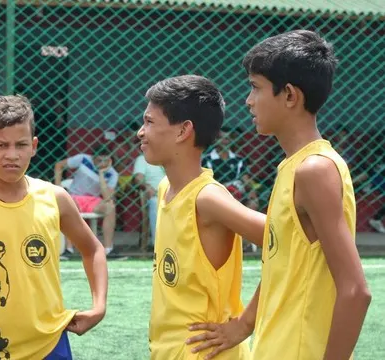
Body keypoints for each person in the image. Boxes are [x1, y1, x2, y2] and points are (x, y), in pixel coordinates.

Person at [187, 30, 371, 360]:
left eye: (255, 87)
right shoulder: (292, 166)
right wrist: (243, 325)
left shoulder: (314, 170)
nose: (248, 100)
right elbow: (282, 262)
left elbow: (356, 291)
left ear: (289, 96)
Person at [0, 95, 108, 360]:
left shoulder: (55, 198)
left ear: (33, 146)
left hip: (51, 343)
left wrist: (99, 306)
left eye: (21, 144)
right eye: (0, 145)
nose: (12, 155)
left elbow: (93, 250)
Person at [137, 75, 264, 360]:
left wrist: (243, 325)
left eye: (150, 122)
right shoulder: (165, 188)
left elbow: (291, 242)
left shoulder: (208, 198)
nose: (140, 132)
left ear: (183, 131)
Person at [54, 144, 119, 257]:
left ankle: (108, 249)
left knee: (110, 207)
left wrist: (101, 173)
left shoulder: (112, 173)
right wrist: (58, 187)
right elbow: (59, 165)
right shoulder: (82, 158)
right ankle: (69, 250)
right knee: (70, 205)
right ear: (93, 157)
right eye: (99, 160)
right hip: (74, 197)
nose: (102, 163)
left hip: (93, 201)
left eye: (106, 160)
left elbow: (107, 197)